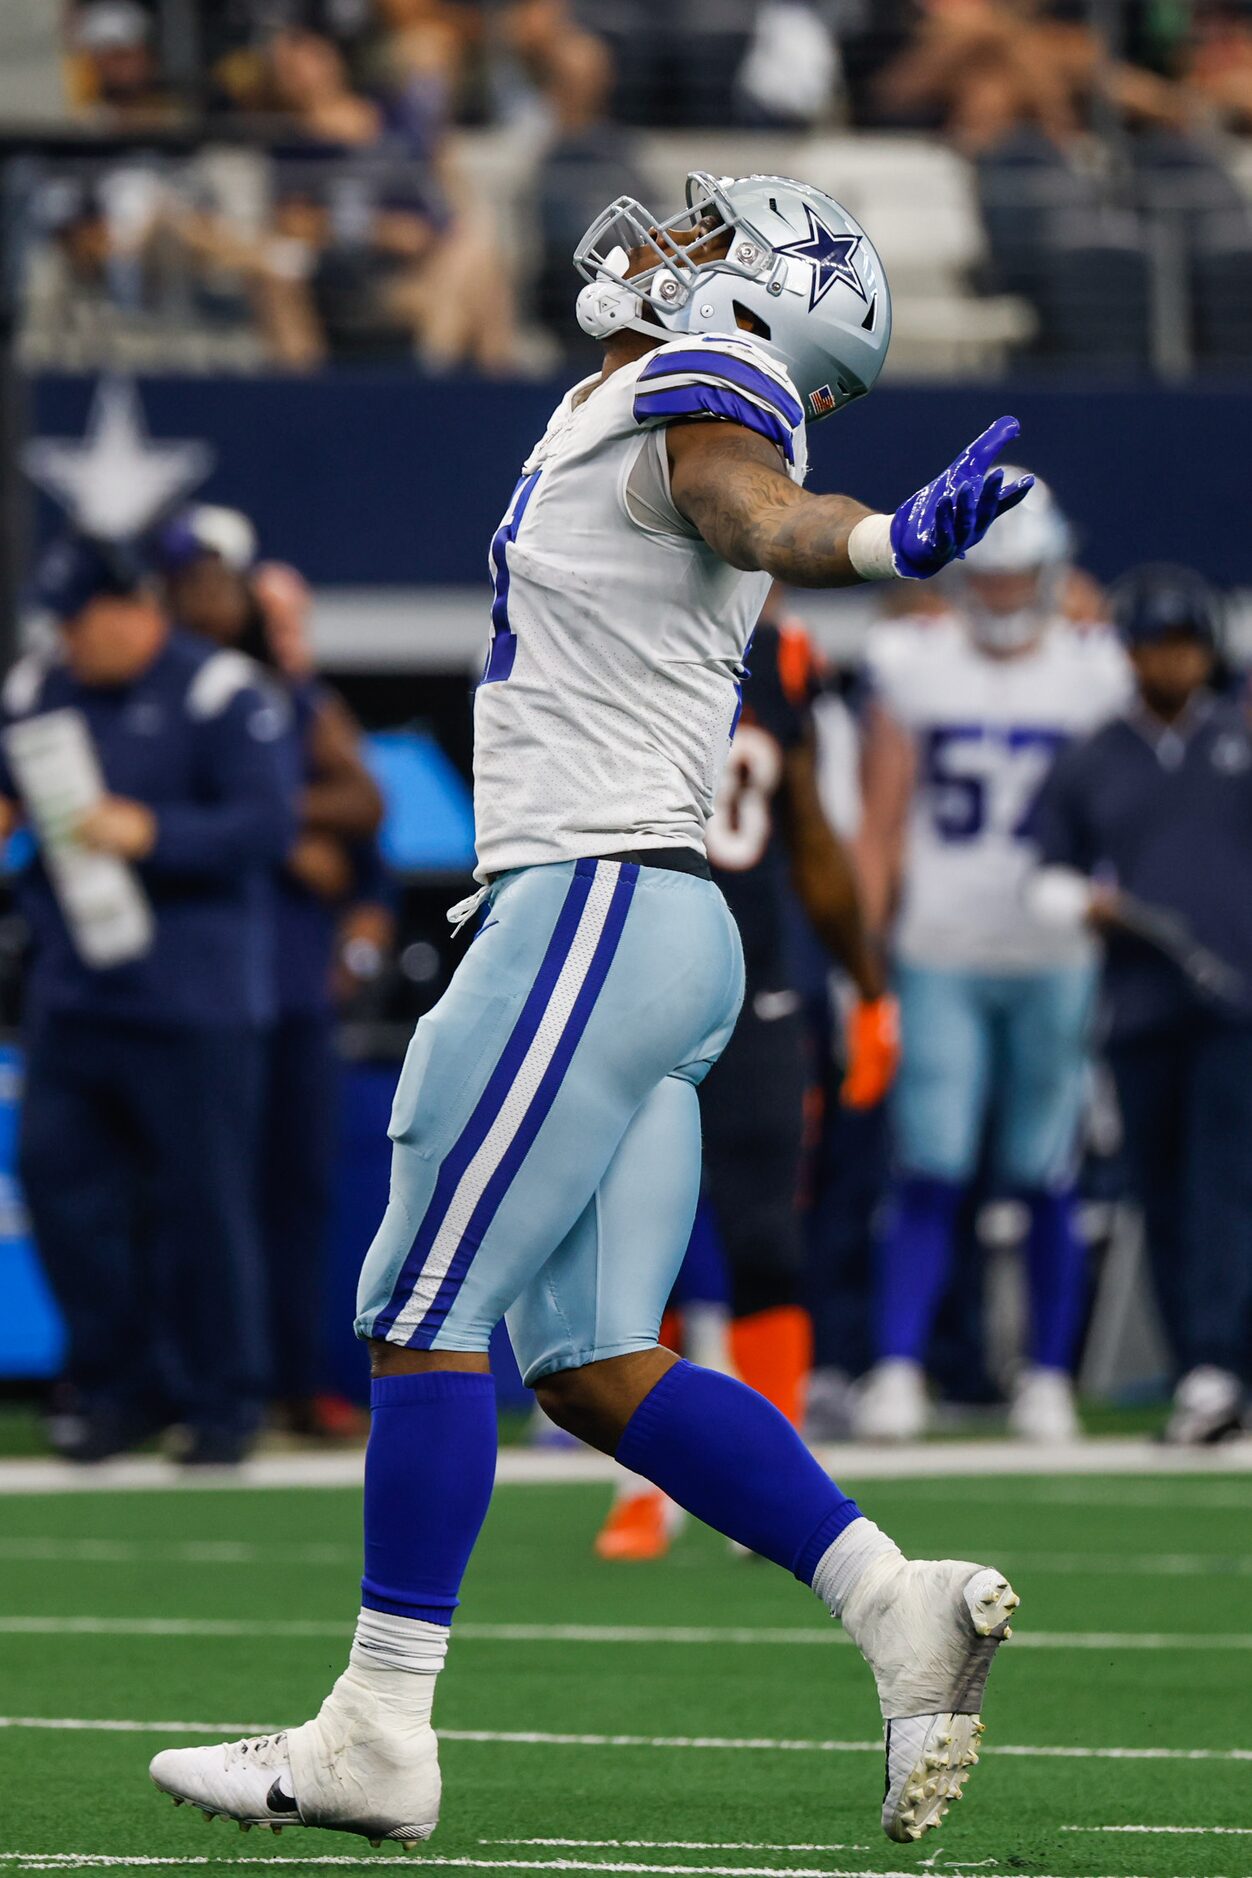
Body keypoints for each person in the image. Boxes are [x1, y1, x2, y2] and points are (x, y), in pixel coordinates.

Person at [150, 169, 1029, 1848]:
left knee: (420, 1303)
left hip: (592, 903)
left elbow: (740, 501)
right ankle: (888, 1599)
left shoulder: (707, 392)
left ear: (757, 304)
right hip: (653, 920)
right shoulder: (632, 393)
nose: (668, 246)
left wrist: (874, 540)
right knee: (595, 1365)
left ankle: (377, 1729)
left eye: (712, 243)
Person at [596, 598, 899, 1559]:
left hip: (753, 983)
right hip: (637, 980)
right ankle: (649, 1483)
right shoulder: (607, 620)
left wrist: (867, 986)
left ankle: (778, 1488)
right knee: (642, 1245)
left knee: (767, 1238)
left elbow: (808, 827)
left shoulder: (777, 649)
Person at [2, 534, 295, 1465]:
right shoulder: (38, 690)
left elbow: (266, 827)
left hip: (193, 997)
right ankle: (115, 1387)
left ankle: (222, 1400)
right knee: (62, 1191)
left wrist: (155, 831)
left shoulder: (221, 692)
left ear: (134, 611)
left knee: (201, 1204)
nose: (71, 639)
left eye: (83, 620)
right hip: (77, 992)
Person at [853, 476, 1129, 1442]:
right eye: (993, 578)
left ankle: (1046, 1377)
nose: (1007, 596)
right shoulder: (914, 661)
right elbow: (882, 822)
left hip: (1056, 951)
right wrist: (867, 958)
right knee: (931, 1162)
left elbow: (1129, 814)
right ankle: (899, 1369)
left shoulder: (1099, 666)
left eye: (1023, 578)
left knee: (1042, 1166)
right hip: (940, 945)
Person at [159, 510, 390, 1437]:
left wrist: (273, 820)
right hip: (191, 985)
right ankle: (200, 1384)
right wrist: (285, 834)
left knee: (293, 1192)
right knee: (198, 1193)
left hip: (287, 981)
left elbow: (365, 811)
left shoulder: (282, 700)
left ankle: (291, 1379)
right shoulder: (152, 699)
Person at [1028, 564, 1252, 1444]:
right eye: (1154, 646)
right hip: (1143, 1003)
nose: (1170, 664)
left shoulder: (1239, 742)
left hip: (1236, 1006)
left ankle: (1218, 1365)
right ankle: (1206, 1366)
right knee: (1157, 1192)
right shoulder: (1094, 758)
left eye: (1184, 646)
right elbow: (1042, 873)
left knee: (1222, 1187)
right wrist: (1086, 903)